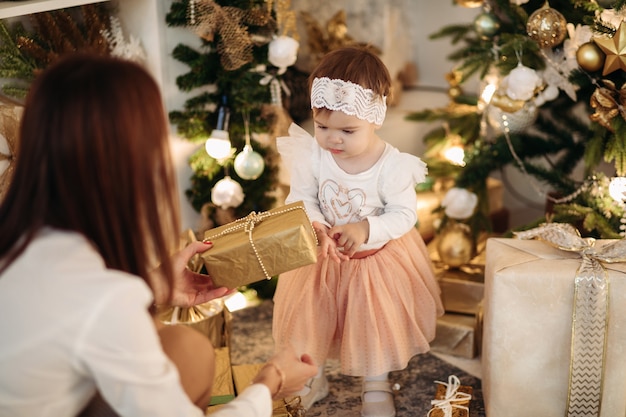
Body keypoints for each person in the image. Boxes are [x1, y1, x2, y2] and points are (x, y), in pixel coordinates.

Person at [0, 53, 317, 417]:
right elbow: (91, 311)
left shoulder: (19, 245)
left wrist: (152, 285)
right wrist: (270, 381)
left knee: (187, 349)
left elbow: (62, 318)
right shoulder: (101, 297)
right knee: (189, 353)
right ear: (131, 162)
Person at [272, 46, 444, 417]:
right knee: (310, 322)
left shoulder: (393, 166)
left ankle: (376, 383)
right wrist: (316, 224)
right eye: (322, 127)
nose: (333, 139)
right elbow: (301, 196)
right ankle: (310, 375)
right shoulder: (315, 155)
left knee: (373, 327)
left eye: (348, 130)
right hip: (323, 258)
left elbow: (404, 215)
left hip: (374, 262)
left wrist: (367, 228)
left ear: (375, 118)